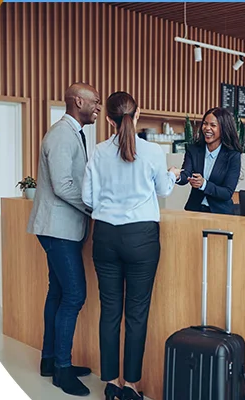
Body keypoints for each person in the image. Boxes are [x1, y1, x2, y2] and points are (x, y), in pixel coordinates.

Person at [82, 91, 181, 400]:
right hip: (142, 239)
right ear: (137, 116)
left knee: (110, 311)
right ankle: (132, 387)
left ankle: (110, 383)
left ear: (109, 120)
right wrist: (172, 175)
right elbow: (164, 190)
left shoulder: (98, 151)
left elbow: (87, 198)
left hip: (106, 237)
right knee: (137, 313)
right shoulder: (152, 151)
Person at [27, 82, 102, 396]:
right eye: (94, 102)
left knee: (57, 293)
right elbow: (62, 184)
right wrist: (92, 206)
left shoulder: (73, 134)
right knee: (74, 296)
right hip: (58, 229)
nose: (97, 108)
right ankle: (62, 369)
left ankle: (50, 360)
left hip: (62, 228)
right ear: (77, 101)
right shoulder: (61, 134)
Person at [176, 107, 243, 214]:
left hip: (221, 213)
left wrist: (204, 184)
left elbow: (227, 192)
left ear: (224, 128)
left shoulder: (232, 155)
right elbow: (186, 175)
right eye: (205, 124)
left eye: (213, 125)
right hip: (195, 211)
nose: (207, 128)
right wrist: (177, 175)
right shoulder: (193, 150)